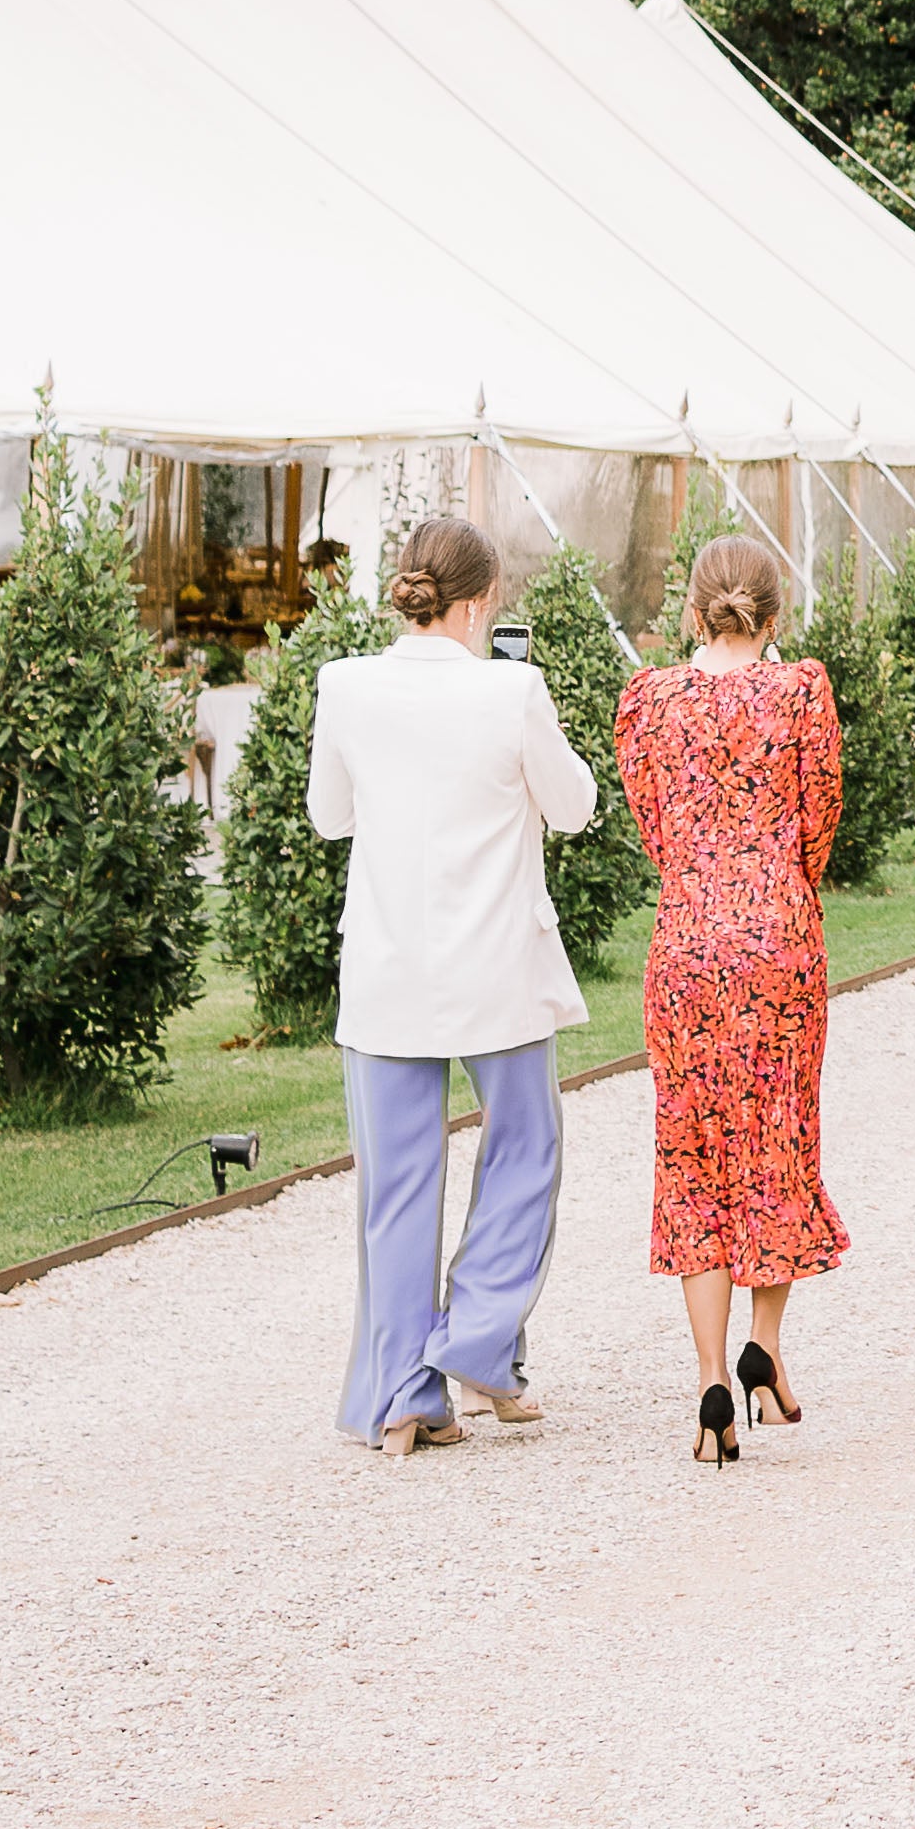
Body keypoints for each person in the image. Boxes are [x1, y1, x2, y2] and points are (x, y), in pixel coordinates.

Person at [312, 517, 600, 1457]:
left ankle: (403, 1397)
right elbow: (574, 807)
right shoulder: (513, 689)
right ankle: (479, 1342)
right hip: (497, 972)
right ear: (477, 604)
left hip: (389, 971)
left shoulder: (344, 685)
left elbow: (329, 815)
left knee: (394, 1189)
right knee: (523, 1151)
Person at [618, 536, 847, 1469]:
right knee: (775, 1139)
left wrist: (701, 877)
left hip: (686, 944)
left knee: (694, 1147)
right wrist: (776, 886)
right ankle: (766, 1345)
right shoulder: (800, 692)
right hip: (778, 938)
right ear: (774, 611)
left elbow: (650, 823)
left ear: (694, 609)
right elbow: (820, 815)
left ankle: (712, 1381)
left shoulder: (652, 699)